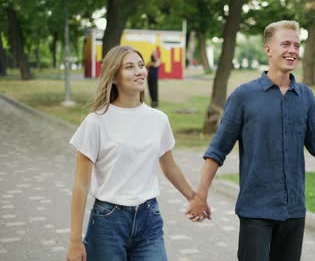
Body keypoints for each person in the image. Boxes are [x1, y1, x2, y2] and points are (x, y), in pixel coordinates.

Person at [187, 20, 315, 261]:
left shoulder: (305, 97)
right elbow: (217, 151)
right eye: (285, 44)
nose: (293, 50)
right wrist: (200, 197)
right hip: (256, 211)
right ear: (268, 50)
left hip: (293, 211)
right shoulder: (244, 96)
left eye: (297, 45)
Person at [66, 45, 209, 261]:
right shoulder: (96, 122)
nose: (139, 71)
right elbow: (81, 185)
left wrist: (193, 198)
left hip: (149, 218)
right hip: (108, 222)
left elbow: (169, 166)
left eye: (141, 65)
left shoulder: (158, 119)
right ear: (114, 77)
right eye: (130, 67)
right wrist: (75, 241)